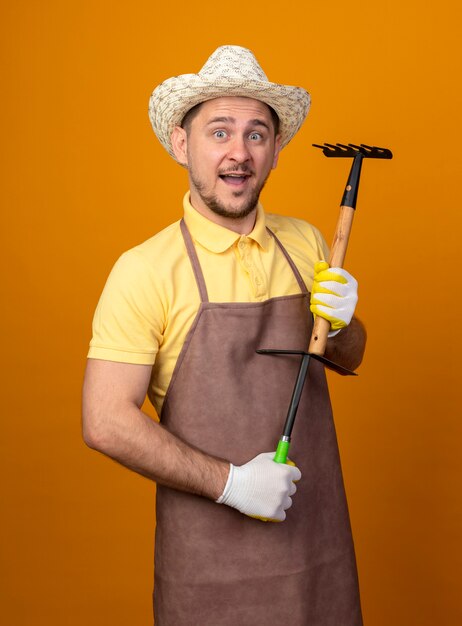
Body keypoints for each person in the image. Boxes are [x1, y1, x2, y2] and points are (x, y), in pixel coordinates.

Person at [82, 45, 366, 625]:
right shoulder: (144, 271)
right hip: (209, 567)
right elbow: (105, 420)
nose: (239, 153)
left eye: (257, 134)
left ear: (276, 150)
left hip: (318, 550)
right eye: (219, 132)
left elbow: (346, 355)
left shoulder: (306, 243)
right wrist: (232, 484)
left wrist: (342, 324)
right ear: (183, 145)